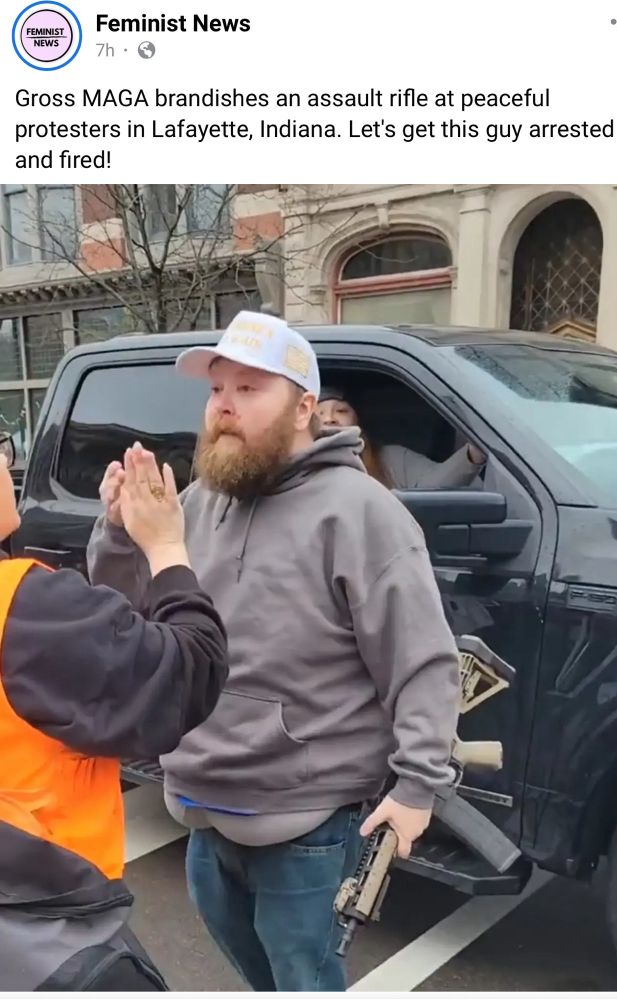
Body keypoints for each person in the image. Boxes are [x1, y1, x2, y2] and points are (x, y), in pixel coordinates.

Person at [87, 310, 462, 993]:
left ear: (304, 408)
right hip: (200, 807)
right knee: (263, 977)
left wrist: (417, 787)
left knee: (304, 979)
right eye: (216, 389)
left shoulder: (361, 512)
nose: (224, 404)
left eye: (250, 388)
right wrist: (118, 533)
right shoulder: (198, 503)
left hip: (307, 823)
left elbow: (422, 660)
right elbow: (128, 616)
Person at [0, 435, 228, 992]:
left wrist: (120, 540)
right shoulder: (23, 608)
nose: (7, 462)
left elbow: (86, 663)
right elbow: (188, 669)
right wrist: (168, 549)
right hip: (40, 918)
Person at [317, 384, 486, 489]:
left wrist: (473, 455)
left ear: (357, 419)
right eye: (319, 413)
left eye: (341, 411)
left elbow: (434, 487)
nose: (329, 419)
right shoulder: (296, 464)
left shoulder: (390, 459)